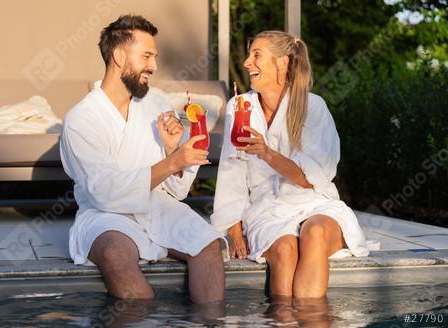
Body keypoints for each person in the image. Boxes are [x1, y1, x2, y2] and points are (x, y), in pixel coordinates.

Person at [60, 15, 225, 303]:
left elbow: (177, 191)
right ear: (120, 56)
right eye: (147, 56)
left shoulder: (155, 102)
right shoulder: (82, 119)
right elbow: (104, 192)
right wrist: (171, 163)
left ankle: (210, 323)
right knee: (114, 252)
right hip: (105, 215)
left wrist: (173, 150)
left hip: (157, 205)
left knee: (208, 244)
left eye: (155, 57)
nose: (154, 66)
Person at [211, 30, 369, 298]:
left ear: (282, 62)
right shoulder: (239, 107)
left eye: (256, 55)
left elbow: (314, 178)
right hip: (267, 210)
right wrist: (235, 233)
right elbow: (231, 171)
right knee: (285, 250)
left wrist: (266, 152)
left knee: (315, 232)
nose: (247, 63)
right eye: (249, 55)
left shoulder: (313, 107)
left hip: (314, 202)